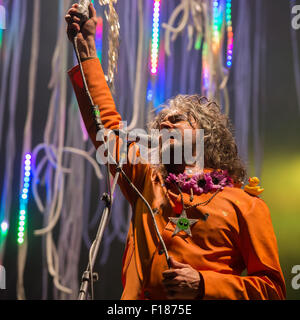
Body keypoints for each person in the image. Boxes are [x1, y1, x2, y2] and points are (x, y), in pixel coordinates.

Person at [65, 3, 286, 300]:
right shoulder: (146, 181)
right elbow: (107, 127)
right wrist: (87, 49)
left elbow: (272, 290)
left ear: (206, 136)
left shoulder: (245, 205)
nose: (165, 122)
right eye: (161, 122)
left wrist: (205, 285)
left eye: (177, 119)